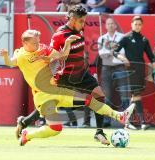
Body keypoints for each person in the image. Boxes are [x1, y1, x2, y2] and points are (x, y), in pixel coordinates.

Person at [0, 29, 135, 146]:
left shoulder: (43, 48)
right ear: (25, 43)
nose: (38, 44)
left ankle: (119, 116)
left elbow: (62, 56)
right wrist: (5, 56)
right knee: (55, 128)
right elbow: (10, 63)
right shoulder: (21, 54)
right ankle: (27, 135)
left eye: (38, 41)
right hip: (42, 97)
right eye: (34, 43)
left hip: (56, 90)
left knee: (88, 99)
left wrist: (67, 44)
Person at [50, 5, 118, 145]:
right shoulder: (59, 35)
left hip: (81, 73)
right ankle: (25, 121)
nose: (83, 24)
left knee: (99, 95)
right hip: (65, 76)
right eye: (81, 21)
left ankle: (99, 132)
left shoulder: (79, 29)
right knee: (48, 103)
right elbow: (51, 55)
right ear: (73, 19)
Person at [114, 16, 155, 130]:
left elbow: (151, 56)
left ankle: (127, 122)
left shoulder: (144, 39)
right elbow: (114, 51)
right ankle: (143, 122)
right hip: (130, 70)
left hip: (141, 70)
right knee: (136, 96)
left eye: (139, 24)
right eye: (135, 24)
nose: (137, 26)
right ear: (131, 25)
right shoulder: (126, 37)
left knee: (134, 97)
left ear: (142, 26)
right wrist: (122, 57)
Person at [98, 17, 130, 127]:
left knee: (124, 94)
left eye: (112, 23)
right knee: (107, 96)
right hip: (106, 68)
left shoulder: (121, 37)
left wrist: (111, 52)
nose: (110, 25)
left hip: (120, 67)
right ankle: (106, 120)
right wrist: (115, 52)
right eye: (108, 24)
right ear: (106, 26)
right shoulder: (101, 38)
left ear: (115, 26)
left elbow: (123, 54)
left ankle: (126, 120)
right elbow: (102, 55)